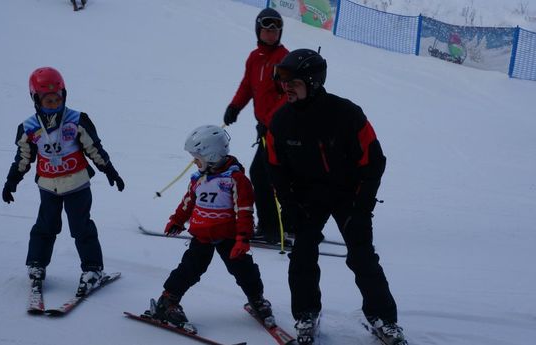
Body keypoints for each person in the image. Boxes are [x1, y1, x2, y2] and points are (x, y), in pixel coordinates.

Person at [267, 49, 407, 345]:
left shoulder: (346, 114)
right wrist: (288, 205)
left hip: (348, 194)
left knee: (362, 256)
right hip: (308, 194)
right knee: (302, 253)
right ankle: (306, 313)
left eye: (293, 81)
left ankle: (383, 318)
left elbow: (374, 161)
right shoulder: (279, 122)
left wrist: (362, 208)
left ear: (313, 81)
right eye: (283, 81)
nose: (286, 87)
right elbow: (276, 169)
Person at [2, 67, 125, 296]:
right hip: (48, 187)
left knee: (81, 227)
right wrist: (12, 181)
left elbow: (94, 148)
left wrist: (110, 171)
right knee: (45, 227)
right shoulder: (29, 127)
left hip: (77, 184)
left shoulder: (77, 120)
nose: (53, 103)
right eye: (47, 100)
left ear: (64, 95)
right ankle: (37, 265)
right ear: (35, 99)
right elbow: (23, 158)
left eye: (57, 98)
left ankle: (92, 269)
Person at [151, 125, 275, 328]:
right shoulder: (198, 179)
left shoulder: (235, 180)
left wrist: (243, 238)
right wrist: (177, 220)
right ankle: (167, 301)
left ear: (212, 155)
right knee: (189, 269)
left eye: (197, 157)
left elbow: (244, 212)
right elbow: (188, 202)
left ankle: (257, 299)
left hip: (229, 238)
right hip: (201, 236)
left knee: (245, 271)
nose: (194, 161)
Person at [223, 8, 289, 244]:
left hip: (281, 128)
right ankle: (289, 223)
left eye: (275, 30)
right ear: (258, 30)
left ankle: (273, 228)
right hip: (265, 128)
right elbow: (247, 86)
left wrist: (269, 123)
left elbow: (287, 96)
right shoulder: (254, 57)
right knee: (274, 174)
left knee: (262, 174)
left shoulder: (284, 59)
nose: (271, 34)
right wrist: (235, 107)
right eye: (267, 29)